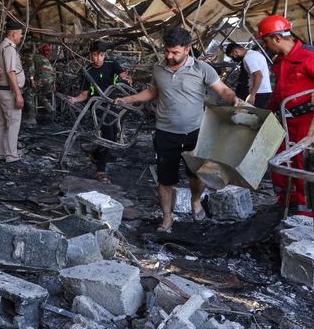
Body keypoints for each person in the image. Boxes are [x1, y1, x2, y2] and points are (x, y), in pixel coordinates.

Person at [116, 28, 240, 233]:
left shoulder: (202, 69)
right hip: (165, 132)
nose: (169, 56)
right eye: (166, 51)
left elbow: (223, 90)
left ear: (187, 49)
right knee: (165, 179)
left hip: (196, 132)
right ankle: (167, 218)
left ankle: (196, 200)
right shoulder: (158, 68)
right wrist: (127, 99)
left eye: (175, 52)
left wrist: (234, 99)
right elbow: (153, 91)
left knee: (197, 175)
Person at [258, 15, 314, 215]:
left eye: (266, 41)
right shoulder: (279, 61)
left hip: (308, 120)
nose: (265, 45)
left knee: (303, 164)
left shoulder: (310, 56)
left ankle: (306, 213)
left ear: (277, 38)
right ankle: (285, 203)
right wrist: (266, 112)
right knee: (281, 159)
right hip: (285, 120)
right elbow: (280, 91)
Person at [68, 40, 132, 183]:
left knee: (113, 134)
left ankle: (96, 155)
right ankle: (100, 171)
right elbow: (84, 95)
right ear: (90, 55)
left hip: (113, 102)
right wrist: (74, 99)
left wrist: (127, 80)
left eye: (101, 55)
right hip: (97, 105)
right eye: (95, 55)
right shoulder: (87, 71)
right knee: (108, 133)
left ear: (105, 55)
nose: (98, 59)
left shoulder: (112, 64)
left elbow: (124, 76)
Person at [0, 18, 25, 164]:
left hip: (1, 90)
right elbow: (10, 72)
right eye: (20, 34)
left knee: (3, 123)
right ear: (13, 34)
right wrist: (18, 94)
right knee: (13, 123)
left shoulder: (1, 46)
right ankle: (12, 155)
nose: (21, 36)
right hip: (8, 92)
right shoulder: (9, 49)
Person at [225, 43, 272, 109]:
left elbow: (258, 75)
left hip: (259, 93)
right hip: (265, 91)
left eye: (233, 56)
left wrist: (252, 94)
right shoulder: (255, 53)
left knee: (254, 116)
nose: (234, 58)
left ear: (235, 51)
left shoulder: (248, 58)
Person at [24, 44, 57, 126]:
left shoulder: (29, 56)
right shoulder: (40, 57)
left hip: (43, 77)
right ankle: (50, 108)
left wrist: (31, 79)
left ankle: (32, 118)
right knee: (39, 92)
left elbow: (31, 67)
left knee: (29, 93)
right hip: (51, 79)